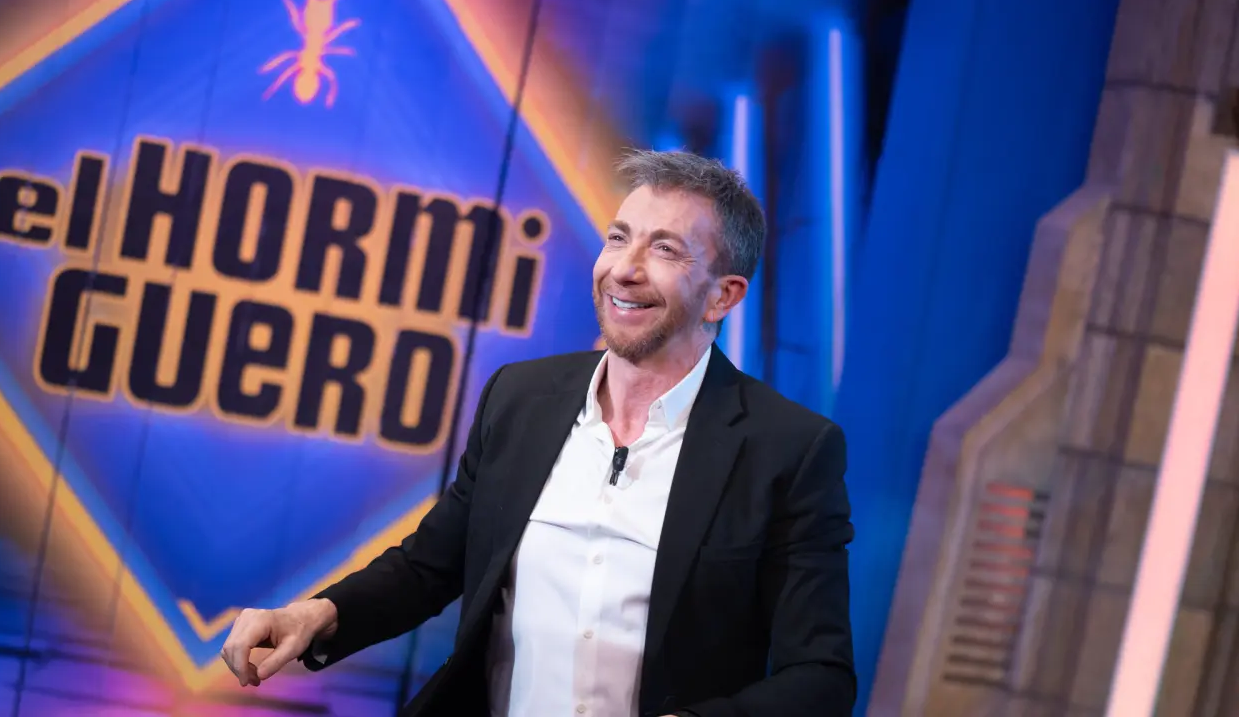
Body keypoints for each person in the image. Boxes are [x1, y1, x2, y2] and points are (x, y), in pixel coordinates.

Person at [220, 149, 855, 717]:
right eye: (618, 238)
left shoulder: (789, 451)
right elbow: (428, 567)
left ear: (724, 296)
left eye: (664, 250)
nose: (625, 269)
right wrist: (314, 614)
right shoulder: (519, 399)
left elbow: (819, 676)